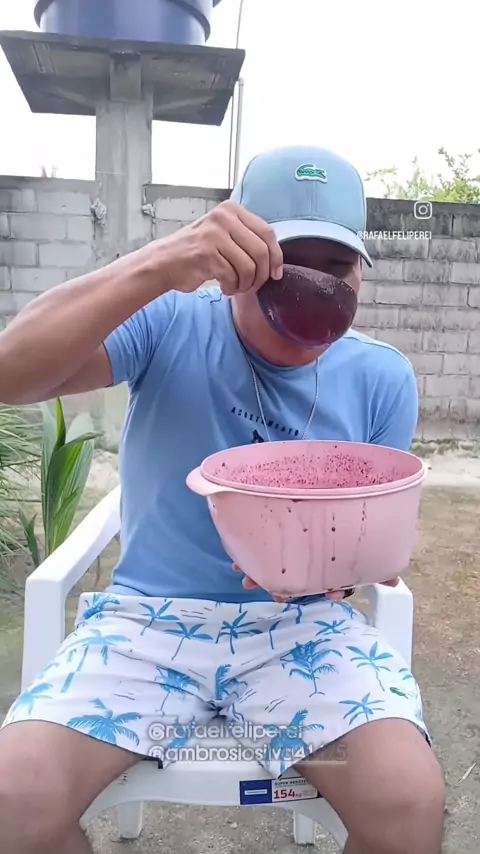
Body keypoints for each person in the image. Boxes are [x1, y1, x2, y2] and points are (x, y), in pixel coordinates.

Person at [0, 145, 444, 854]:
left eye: (338, 266)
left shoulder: (380, 378)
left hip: (302, 631)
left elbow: (369, 539)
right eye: (287, 263)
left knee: (406, 800)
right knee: (15, 800)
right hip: (147, 626)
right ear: (234, 257)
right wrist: (162, 264)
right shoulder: (168, 322)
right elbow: (9, 373)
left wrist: (342, 569)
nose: (316, 287)